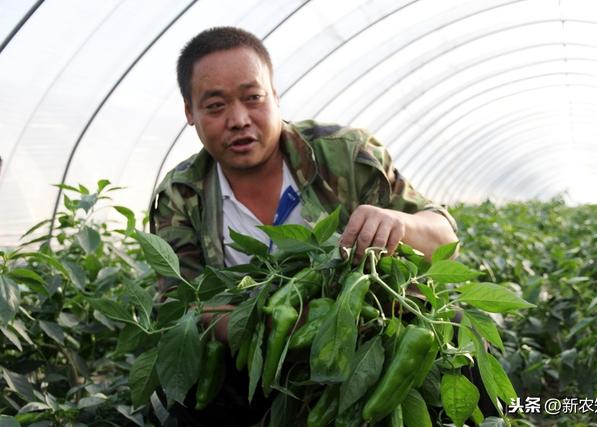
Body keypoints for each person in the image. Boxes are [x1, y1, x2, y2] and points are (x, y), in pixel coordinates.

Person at [150, 26, 458, 426]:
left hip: (374, 344)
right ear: (190, 114)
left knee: (455, 337)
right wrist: (307, 327)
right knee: (184, 396)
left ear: (275, 96)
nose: (239, 120)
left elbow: (445, 239)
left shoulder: (343, 155)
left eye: (253, 98)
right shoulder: (182, 194)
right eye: (215, 106)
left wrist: (399, 222)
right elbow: (183, 303)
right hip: (256, 365)